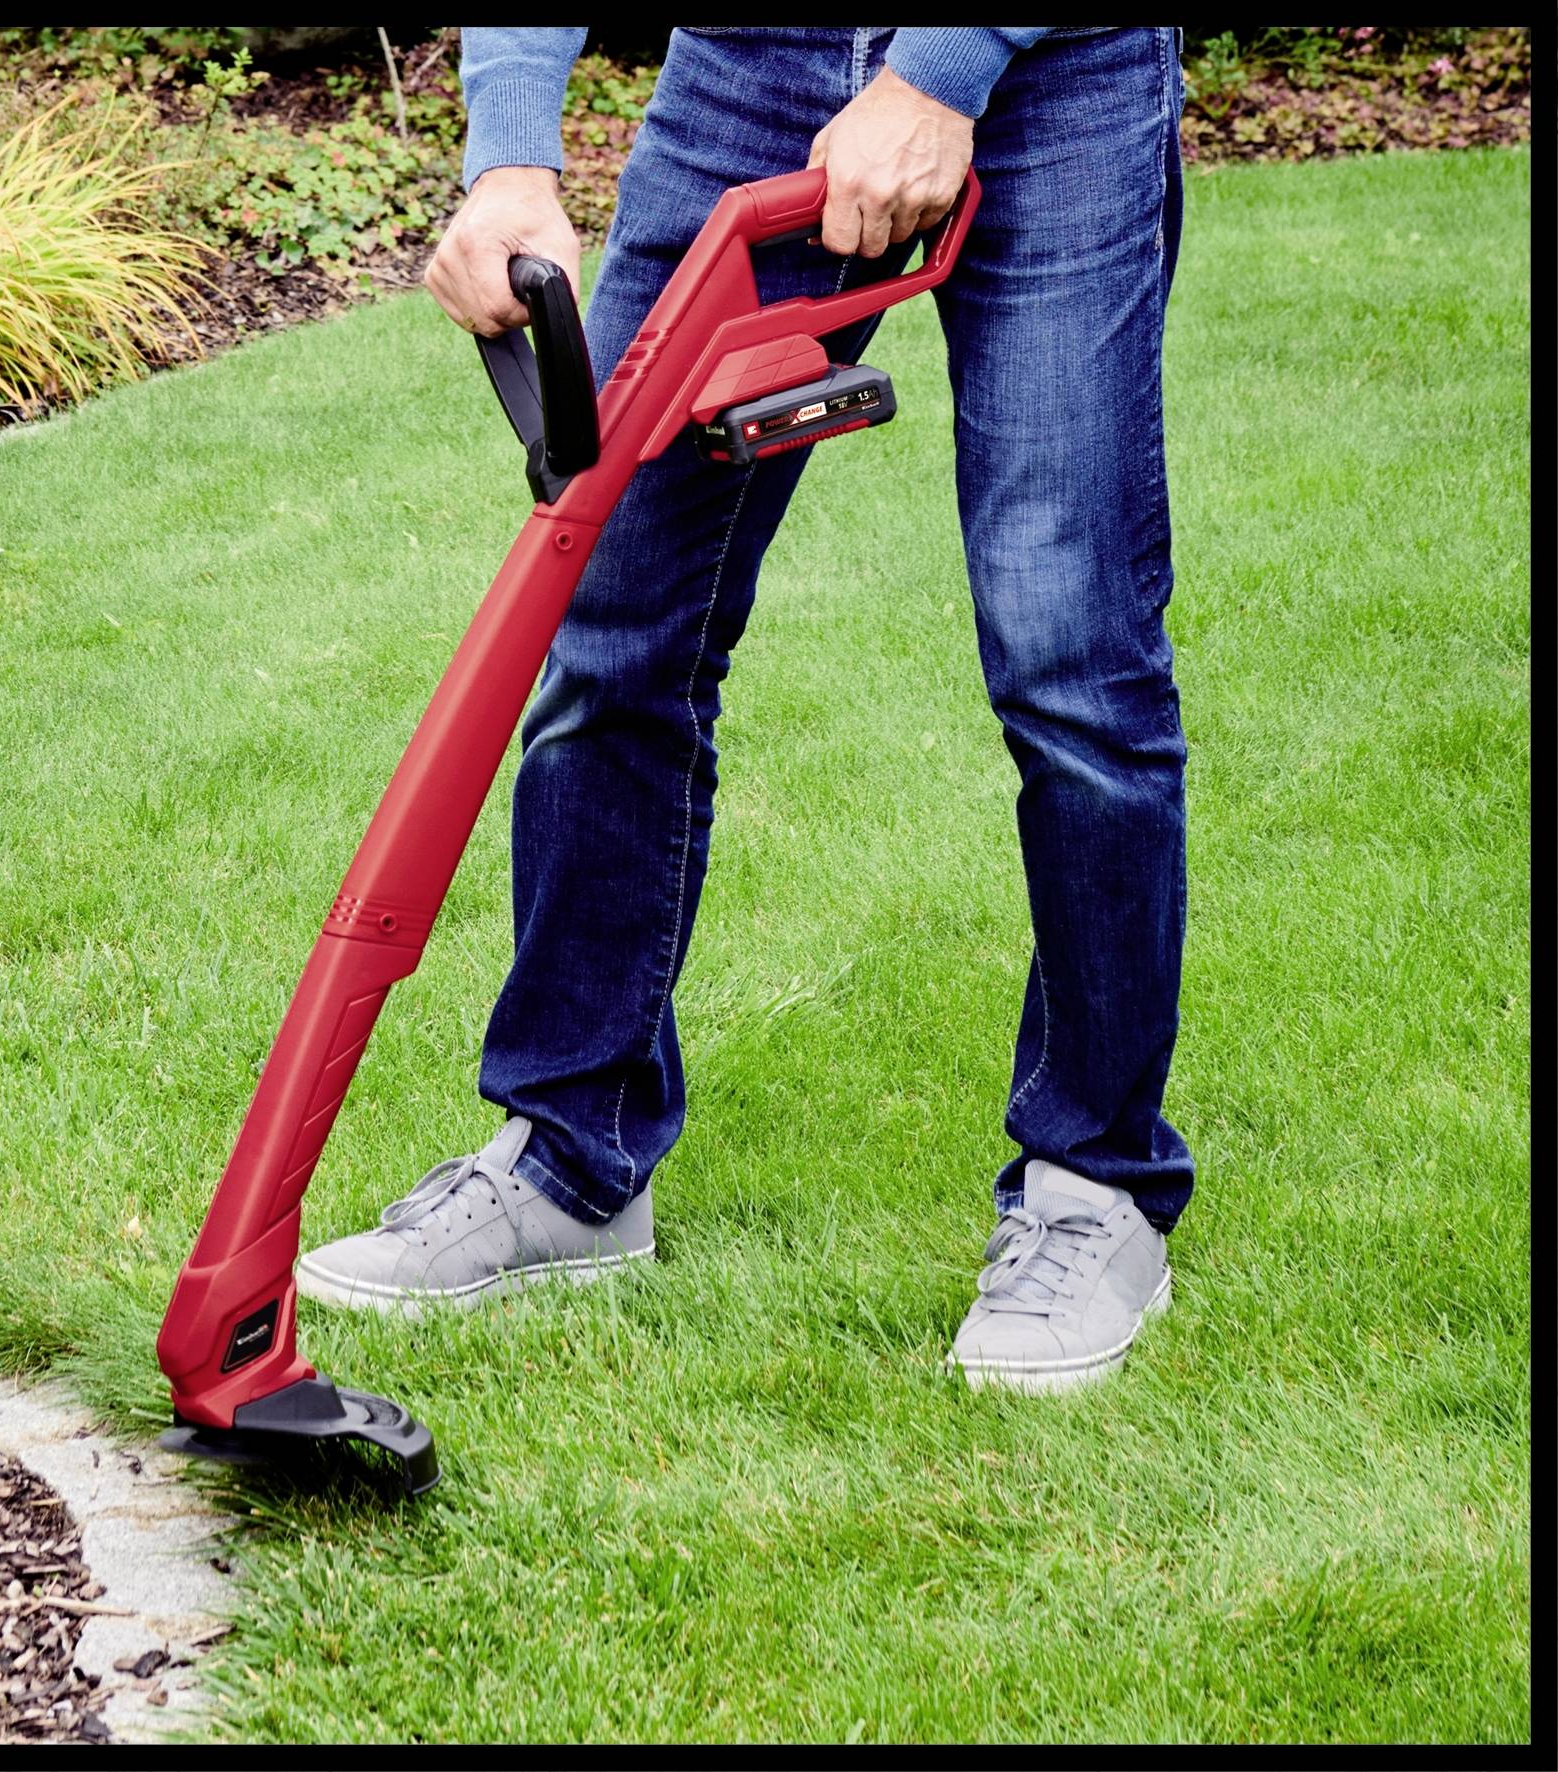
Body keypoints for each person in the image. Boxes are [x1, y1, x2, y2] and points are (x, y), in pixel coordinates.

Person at [297, 26, 1191, 1391]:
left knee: (1069, 653)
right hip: (755, 65)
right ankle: (572, 1157)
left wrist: (940, 72)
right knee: (614, 631)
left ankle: (1094, 1187)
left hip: (1055, 76)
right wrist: (511, 156)